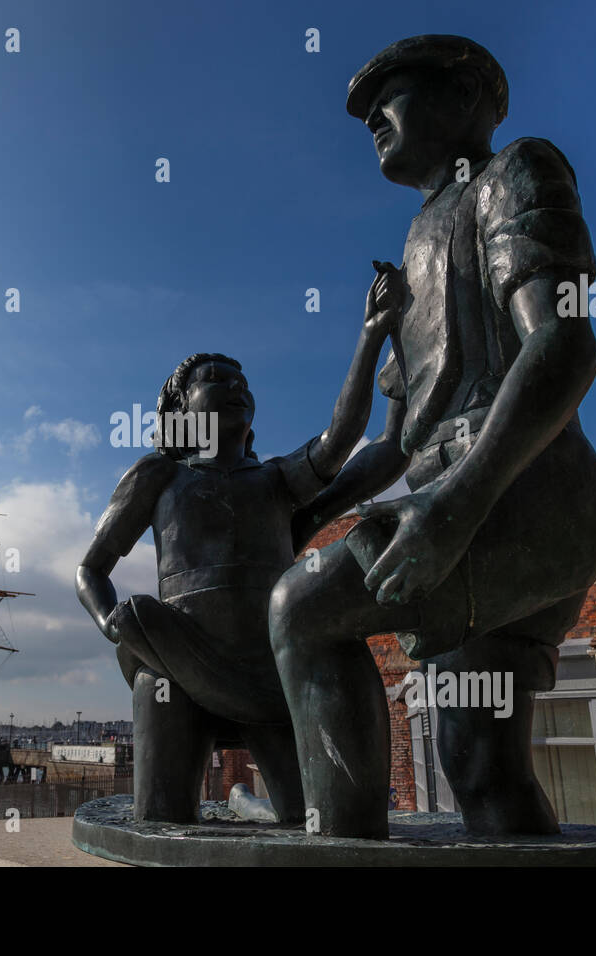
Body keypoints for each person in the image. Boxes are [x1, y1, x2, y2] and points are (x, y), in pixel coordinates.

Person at [270, 35, 596, 838]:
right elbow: (395, 443)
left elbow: (564, 345)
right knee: (479, 766)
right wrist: (308, 514)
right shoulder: (417, 240)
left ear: (464, 98)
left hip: (524, 494)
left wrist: (455, 508)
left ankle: (339, 845)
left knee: (301, 608)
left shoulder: (515, 173)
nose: (370, 119)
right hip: (461, 503)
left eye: (389, 94)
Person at [75, 299, 395, 823]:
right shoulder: (159, 476)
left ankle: (250, 806)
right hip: (174, 659)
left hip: (268, 664)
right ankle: (237, 803)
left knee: (306, 816)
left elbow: (340, 441)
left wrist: (371, 334)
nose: (236, 385)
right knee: (161, 819)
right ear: (180, 410)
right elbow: (90, 569)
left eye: (243, 381)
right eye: (218, 379)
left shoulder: (274, 481)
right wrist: (110, 622)